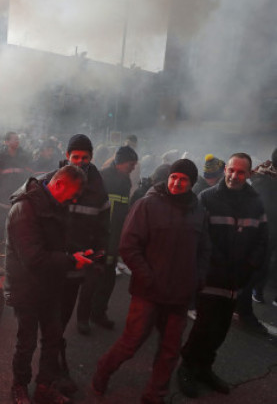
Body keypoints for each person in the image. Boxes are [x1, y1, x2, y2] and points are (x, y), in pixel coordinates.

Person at [92, 159, 210, 404]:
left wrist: (197, 279)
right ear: (167, 178)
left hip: (179, 295)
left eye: (183, 179)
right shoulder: (148, 204)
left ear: (191, 183)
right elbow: (129, 245)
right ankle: (102, 372)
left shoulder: (198, 210)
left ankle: (154, 395)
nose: (177, 182)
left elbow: (204, 249)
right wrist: (147, 277)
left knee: (169, 352)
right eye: (173, 177)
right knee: (131, 343)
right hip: (148, 292)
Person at [177, 153, 269, 398]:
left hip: (236, 280)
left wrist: (249, 266)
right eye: (231, 170)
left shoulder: (256, 202)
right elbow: (197, 235)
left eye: (240, 172)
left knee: (221, 328)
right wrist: (212, 265)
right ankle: (186, 368)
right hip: (210, 276)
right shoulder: (206, 198)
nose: (234, 176)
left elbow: (262, 239)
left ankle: (205, 368)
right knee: (204, 325)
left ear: (249, 175)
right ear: (224, 170)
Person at [7, 165, 90, 404]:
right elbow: (33, 258)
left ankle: (44, 386)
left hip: (51, 285)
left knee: (53, 339)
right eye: (72, 193)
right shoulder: (24, 209)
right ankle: (19, 386)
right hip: (26, 288)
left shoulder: (56, 203)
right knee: (27, 342)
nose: (73, 199)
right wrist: (70, 260)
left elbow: (58, 243)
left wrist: (77, 253)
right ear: (59, 184)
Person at [42, 134, 109, 392]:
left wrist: (99, 261)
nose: (80, 161)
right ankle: (55, 369)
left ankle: (54, 364)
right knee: (51, 320)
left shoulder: (98, 188)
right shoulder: (51, 179)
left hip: (77, 267)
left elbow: (104, 229)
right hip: (51, 264)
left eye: (85, 157)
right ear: (67, 156)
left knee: (62, 317)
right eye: (75, 157)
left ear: (91, 157)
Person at [81, 145, 138, 330]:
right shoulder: (103, 178)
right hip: (99, 237)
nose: (134, 167)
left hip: (114, 237)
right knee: (92, 279)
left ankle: (98, 313)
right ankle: (84, 318)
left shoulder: (125, 181)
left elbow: (121, 213)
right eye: (131, 163)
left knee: (108, 279)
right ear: (121, 162)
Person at [0, 132, 31, 244]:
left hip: (18, 201)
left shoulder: (24, 156)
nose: (17, 141)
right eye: (14, 139)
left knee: (19, 233)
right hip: (0, 202)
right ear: (6, 142)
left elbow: (29, 177)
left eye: (18, 139)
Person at [251, 149, 277, 304]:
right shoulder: (264, 181)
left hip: (266, 226)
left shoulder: (260, 173)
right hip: (267, 227)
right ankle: (257, 290)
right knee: (264, 261)